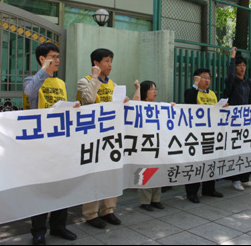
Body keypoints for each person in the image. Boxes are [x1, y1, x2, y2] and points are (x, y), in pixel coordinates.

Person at [23, 42, 77, 245]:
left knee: (60, 186)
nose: (57, 61)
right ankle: (38, 231)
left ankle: (59, 225)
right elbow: (29, 92)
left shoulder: (61, 83)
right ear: (42, 59)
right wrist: (44, 70)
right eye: (52, 57)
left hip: (60, 141)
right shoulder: (32, 80)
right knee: (41, 189)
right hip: (40, 144)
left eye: (58, 57)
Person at [77, 48, 129, 229]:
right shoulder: (84, 81)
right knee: (94, 174)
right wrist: (95, 78)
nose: (110, 65)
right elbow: (89, 100)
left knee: (110, 172)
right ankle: (90, 213)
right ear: (96, 63)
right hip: (92, 136)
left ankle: (108, 210)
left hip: (111, 135)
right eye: (106, 61)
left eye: (111, 61)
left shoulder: (113, 84)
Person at [184, 68, 225, 203]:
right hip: (196, 134)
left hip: (211, 133)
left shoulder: (212, 94)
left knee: (210, 161)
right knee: (196, 162)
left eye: (208, 78)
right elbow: (189, 103)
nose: (207, 80)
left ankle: (209, 188)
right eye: (203, 77)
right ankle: (192, 192)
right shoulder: (191, 92)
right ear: (197, 79)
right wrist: (195, 86)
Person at [223, 47, 251, 191]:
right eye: (239, 65)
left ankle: (245, 178)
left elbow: (250, 99)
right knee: (235, 149)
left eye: (244, 65)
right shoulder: (231, 81)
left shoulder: (248, 82)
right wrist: (232, 57)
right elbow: (231, 75)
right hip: (234, 120)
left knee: (246, 148)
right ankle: (235, 179)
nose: (242, 68)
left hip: (246, 120)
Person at [133, 80, 166, 211]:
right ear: (144, 92)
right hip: (144, 144)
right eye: (151, 89)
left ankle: (156, 199)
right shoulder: (140, 105)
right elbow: (134, 104)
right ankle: (145, 201)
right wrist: (137, 87)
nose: (155, 92)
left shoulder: (158, 106)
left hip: (156, 144)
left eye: (155, 89)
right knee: (145, 172)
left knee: (157, 171)